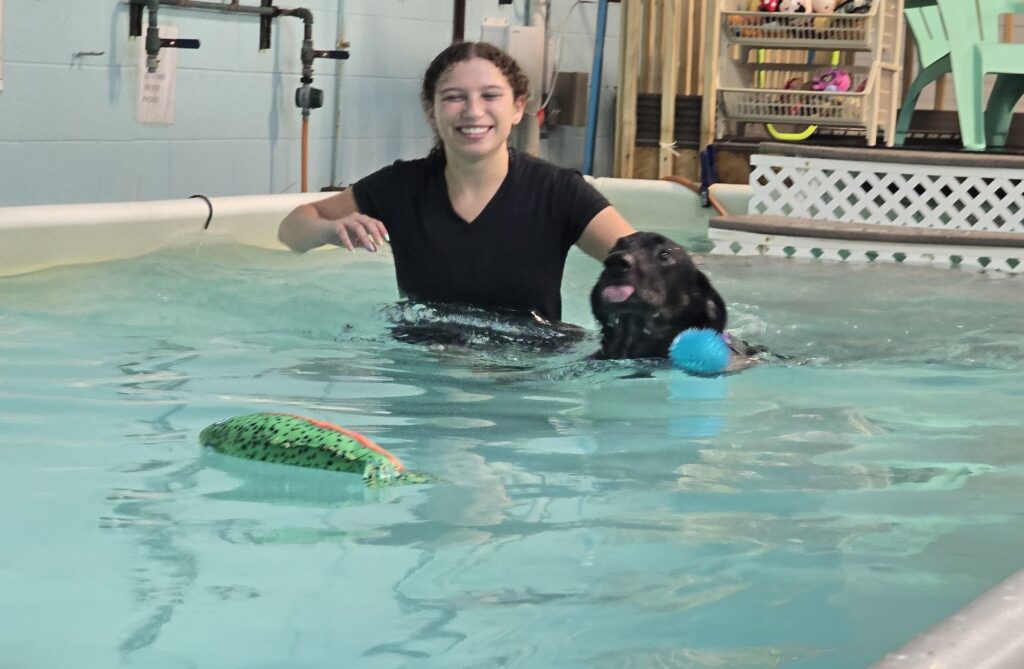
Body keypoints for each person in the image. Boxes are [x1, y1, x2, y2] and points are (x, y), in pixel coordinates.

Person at [278, 41, 635, 322]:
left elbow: (645, 265)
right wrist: (331, 229)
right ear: (431, 111)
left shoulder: (556, 193)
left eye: (491, 95)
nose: (473, 111)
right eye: (454, 97)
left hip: (525, 384)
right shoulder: (400, 187)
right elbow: (291, 232)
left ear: (517, 107)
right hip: (424, 380)